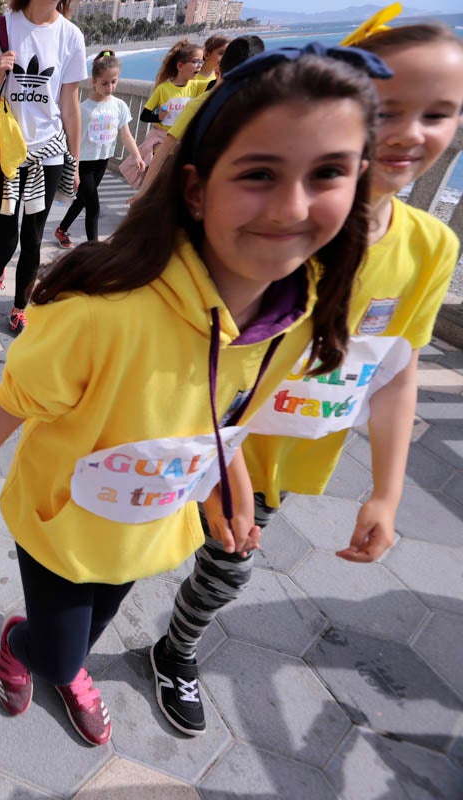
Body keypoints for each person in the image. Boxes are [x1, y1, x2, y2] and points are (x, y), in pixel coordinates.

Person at [0, 45, 382, 746]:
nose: (292, 205)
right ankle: (25, 645)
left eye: (330, 173)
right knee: (63, 648)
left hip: (149, 521)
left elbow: (224, 418)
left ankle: (59, 654)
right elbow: (11, 402)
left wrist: (234, 498)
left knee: (94, 627)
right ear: (194, 188)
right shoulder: (104, 312)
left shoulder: (294, 313)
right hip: (64, 524)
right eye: (258, 174)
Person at [150, 22, 463, 738]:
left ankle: (177, 649)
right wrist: (217, 458)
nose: (411, 133)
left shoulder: (430, 247)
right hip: (189, 429)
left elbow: (395, 371)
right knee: (130, 545)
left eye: (440, 113)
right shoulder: (281, 218)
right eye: (387, 110)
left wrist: (386, 491)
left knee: (226, 569)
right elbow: (200, 337)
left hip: (278, 458)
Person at [0, 0, 86, 334]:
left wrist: (74, 161)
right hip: (5, 154)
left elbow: (70, 105)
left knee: (32, 239)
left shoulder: (71, 36)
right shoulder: (1, 27)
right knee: (6, 241)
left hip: (49, 155)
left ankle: (19, 307)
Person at [135, 36, 265, 196]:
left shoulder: (263, 109)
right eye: (233, 82)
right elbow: (161, 144)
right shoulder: (193, 101)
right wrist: (143, 194)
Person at [53, 51, 143, 247]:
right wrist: (74, 170)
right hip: (83, 163)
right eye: (104, 83)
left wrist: (136, 155)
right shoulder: (83, 109)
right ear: (94, 82)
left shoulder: (119, 106)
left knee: (83, 200)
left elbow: (126, 134)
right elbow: (71, 140)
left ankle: (61, 230)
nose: (109, 87)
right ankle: (94, 248)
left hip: (102, 161)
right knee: (93, 206)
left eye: (114, 82)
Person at [137, 40, 205, 168]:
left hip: (183, 143)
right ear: (180, 66)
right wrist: (159, 117)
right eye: (195, 61)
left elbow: (216, 82)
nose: (199, 66)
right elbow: (144, 116)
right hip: (162, 141)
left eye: (202, 61)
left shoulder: (197, 86)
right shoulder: (163, 89)